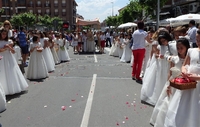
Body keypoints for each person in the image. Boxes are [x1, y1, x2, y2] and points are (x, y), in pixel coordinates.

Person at [150, 38, 190, 127]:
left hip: (186, 84)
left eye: (181, 48)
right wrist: (168, 85)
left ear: (187, 47)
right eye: (178, 48)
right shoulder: (174, 59)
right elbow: (170, 72)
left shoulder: (190, 59)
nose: (179, 50)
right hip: (174, 82)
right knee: (169, 101)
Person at [164, 29, 200, 127]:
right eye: (197, 39)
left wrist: (198, 78)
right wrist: (184, 70)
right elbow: (184, 65)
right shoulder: (191, 50)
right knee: (184, 107)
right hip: (189, 83)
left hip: (198, 84)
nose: (198, 42)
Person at [0, 27, 28, 95]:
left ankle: (12, 87)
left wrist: (9, 47)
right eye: (3, 34)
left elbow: (13, 51)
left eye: (5, 34)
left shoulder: (9, 41)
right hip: (1, 58)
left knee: (10, 72)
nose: (4, 35)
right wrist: (4, 48)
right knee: (2, 72)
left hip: (9, 58)